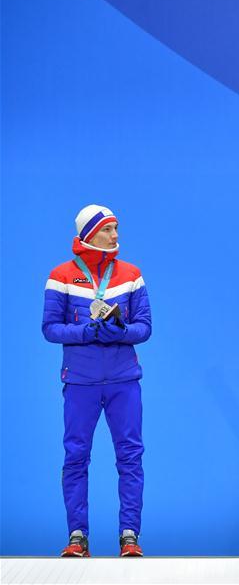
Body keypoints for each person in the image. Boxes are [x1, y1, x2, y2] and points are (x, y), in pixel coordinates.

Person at [42, 205, 152, 557]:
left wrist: (120, 330)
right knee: (76, 457)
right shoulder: (61, 276)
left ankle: (130, 536)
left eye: (117, 228)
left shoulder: (132, 274)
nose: (115, 235)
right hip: (80, 382)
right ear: (89, 233)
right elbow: (50, 329)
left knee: (130, 457)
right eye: (108, 229)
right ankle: (77, 536)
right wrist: (86, 332)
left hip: (124, 381)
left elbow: (145, 328)